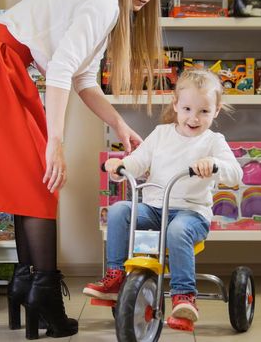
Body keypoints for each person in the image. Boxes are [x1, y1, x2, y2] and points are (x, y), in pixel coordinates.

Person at [0, 0, 162, 339]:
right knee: (42, 180)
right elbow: (62, 69)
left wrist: (119, 124)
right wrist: (56, 142)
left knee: (32, 184)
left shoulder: (102, 5)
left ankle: (26, 281)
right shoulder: (104, 2)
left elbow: (83, 79)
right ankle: (44, 292)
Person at [83, 69, 243, 324]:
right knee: (119, 211)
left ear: (216, 111)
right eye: (188, 109)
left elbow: (235, 174)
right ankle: (115, 276)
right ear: (176, 105)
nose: (194, 118)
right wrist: (121, 166)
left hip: (191, 214)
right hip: (154, 210)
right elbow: (138, 160)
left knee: (177, 229)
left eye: (203, 111)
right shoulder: (161, 134)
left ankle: (184, 296)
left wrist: (213, 164)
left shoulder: (213, 141)